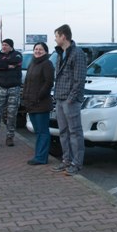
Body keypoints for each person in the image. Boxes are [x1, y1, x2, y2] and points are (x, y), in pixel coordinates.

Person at [51, 24, 86, 176]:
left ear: (63, 36)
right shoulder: (60, 53)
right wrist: (57, 97)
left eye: (56, 36)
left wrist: (71, 99)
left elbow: (79, 79)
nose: (55, 39)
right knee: (63, 132)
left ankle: (76, 164)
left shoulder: (77, 53)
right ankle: (66, 161)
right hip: (60, 98)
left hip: (70, 100)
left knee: (75, 132)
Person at [22, 42, 54, 165]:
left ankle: (41, 158)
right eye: (36, 49)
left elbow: (48, 83)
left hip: (41, 104)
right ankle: (39, 155)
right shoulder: (32, 63)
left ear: (46, 51)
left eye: (41, 49)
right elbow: (27, 82)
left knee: (42, 131)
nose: (38, 51)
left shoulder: (47, 64)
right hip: (31, 104)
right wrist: (25, 97)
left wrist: (38, 96)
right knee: (38, 131)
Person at [0, 38, 22, 148]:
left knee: (12, 114)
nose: (4, 46)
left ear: (11, 46)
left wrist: (2, 65)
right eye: (3, 45)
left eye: (6, 45)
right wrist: (7, 66)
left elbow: (15, 62)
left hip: (13, 88)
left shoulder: (17, 55)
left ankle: (10, 137)